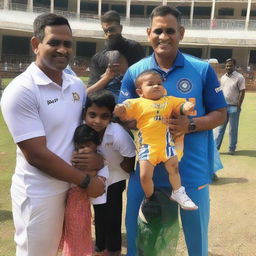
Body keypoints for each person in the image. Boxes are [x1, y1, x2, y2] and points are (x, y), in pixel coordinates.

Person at [118, 5, 227, 256]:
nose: (163, 36)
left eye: (170, 31)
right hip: (147, 172)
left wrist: (189, 125)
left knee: (196, 239)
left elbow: (220, 113)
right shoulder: (135, 72)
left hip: (190, 171)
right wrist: (146, 120)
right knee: (140, 238)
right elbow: (124, 117)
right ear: (148, 33)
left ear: (181, 33)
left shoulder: (201, 69)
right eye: (158, 30)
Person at [1, 13, 105, 256]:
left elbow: (85, 133)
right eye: (54, 42)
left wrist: (97, 161)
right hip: (40, 193)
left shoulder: (76, 85)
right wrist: (88, 182)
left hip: (73, 189)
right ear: (36, 45)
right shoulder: (21, 90)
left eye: (67, 44)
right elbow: (36, 155)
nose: (62, 49)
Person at [114, 69, 197, 210]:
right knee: (145, 176)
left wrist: (186, 107)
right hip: (147, 147)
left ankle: (178, 192)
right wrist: (120, 110)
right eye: (150, 84)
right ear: (140, 92)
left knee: (174, 168)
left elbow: (180, 106)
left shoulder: (169, 101)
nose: (156, 86)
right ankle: (150, 197)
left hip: (166, 145)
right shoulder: (137, 103)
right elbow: (123, 111)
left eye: (159, 83)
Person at [84, 90, 136, 256]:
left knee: (112, 215)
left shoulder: (118, 134)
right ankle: (100, 247)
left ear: (111, 116)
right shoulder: (85, 129)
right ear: (85, 113)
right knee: (99, 213)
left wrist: (113, 166)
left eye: (104, 116)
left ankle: (113, 250)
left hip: (116, 178)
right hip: (97, 178)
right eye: (92, 115)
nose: (97, 121)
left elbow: (130, 159)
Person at [61, 124, 109, 256]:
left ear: (96, 144)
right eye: (81, 146)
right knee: (75, 235)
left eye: (88, 145)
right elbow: (89, 179)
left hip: (84, 205)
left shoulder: (97, 159)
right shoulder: (78, 159)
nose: (84, 150)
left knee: (82, 233)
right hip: (75, 205)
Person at [87, 10, 145, 91]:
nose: (109, 34)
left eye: (111, 30)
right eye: (105, 31)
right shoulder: (97, 58)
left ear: (120, 28)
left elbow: (145, 80)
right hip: (106, 101)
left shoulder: (134, 48)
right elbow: (90, 92)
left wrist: (125, 72)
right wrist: (107, 77)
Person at [214, 58, 246, 155]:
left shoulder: (239, 77)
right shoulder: (223, 77)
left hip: (233, 107)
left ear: (234, 66)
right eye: (227, 65)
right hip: (223, 106)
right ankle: (216, 148)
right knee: (220, 128)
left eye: (230, 65)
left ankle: (232, 148)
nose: (228, 67)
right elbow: (220, 90)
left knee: (233, 129)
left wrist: (238, 106)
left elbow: (242, 91)